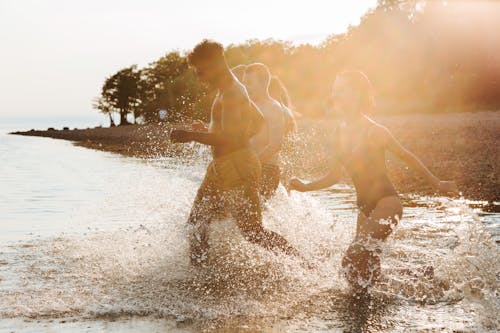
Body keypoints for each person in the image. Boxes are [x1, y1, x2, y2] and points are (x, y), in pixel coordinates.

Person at [288, 70, 458, 287]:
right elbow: (334, 176)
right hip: (364, 208)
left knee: (351, 257)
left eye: (342, 90)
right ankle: (424, 280)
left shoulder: (374, 130)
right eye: (335, 90)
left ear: (358, 94)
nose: (336, 95)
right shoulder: (338, 133)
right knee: (365, 273)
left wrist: (438, 183)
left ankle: (417, 287)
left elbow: (407, 156)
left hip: (387, 204)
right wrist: (305, 187)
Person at [170, 40, 299, 265]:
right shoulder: (230, 89)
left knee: (252, 232)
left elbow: (232, 138)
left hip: (237, 166)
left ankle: (303, 264)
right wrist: (213, 131)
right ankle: (199, 275)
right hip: (222, 166)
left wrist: (191, 136)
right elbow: (257, 122)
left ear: (215, 65)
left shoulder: (231, 92)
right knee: (197, 222)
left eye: (201, 71)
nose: (200, 77)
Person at [243, 63, 296, 199]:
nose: (245, 87)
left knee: (251, 214)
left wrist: (252, 165)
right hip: (247, 167)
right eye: (244, 83)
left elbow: (275, 145)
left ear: (263, 83)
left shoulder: (273, 108)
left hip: (267, 169)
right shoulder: (247, 106)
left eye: (249, 83)